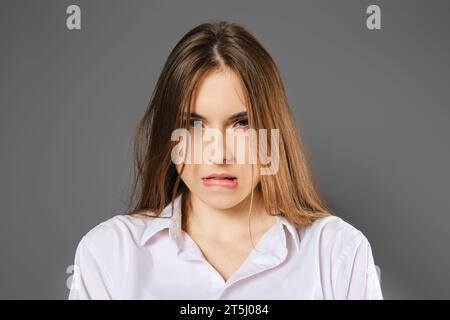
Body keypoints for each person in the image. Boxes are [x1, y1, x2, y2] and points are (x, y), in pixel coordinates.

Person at [68, 21, 383, 300]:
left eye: (242, 124)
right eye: (194, 124)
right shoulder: (108, 254)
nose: (218, 154)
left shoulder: (339, 253)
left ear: (274, 131)